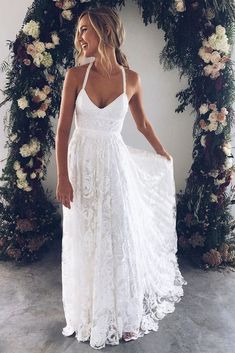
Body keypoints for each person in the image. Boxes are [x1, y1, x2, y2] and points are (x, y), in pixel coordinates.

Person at [55, 6, 187, 350]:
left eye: (85, 29)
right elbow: (63, 130)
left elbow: (142, 124)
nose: (79, 37)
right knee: (86, 236)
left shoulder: (132, 79)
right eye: (79, 30)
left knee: (117, 236)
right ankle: (88, 313)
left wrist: (162, 152)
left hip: (114, 167)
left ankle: (124, 316)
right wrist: (63, 178)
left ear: (105, 31)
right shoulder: (74, 76)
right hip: (81, 166)